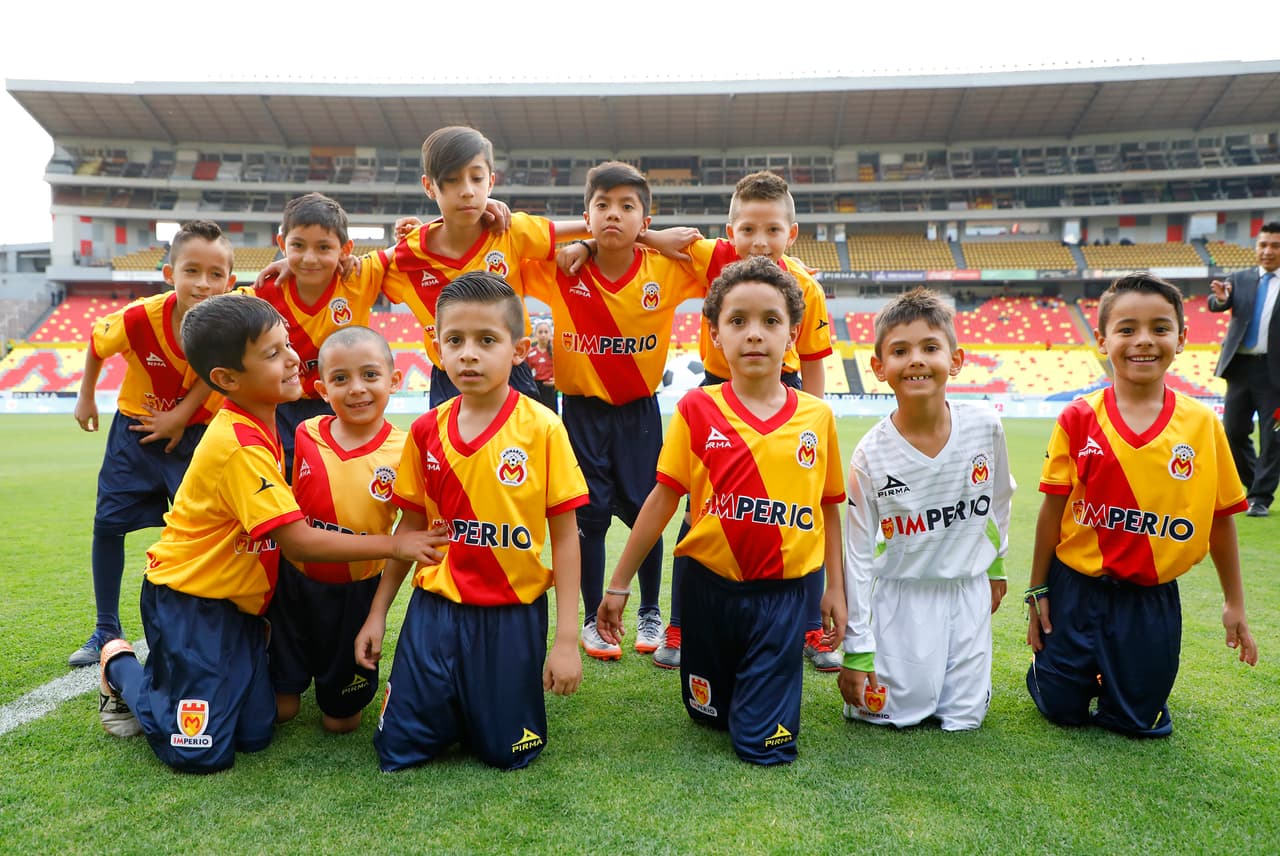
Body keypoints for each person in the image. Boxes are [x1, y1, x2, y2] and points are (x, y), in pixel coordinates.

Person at [96, 294, 443, 773]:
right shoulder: (240, 445)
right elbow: (298, 540)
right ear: (227, 380)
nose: (293, 358)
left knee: (258, 732)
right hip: (189, 599)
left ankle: (206, 675)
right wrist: (395, 544)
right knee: (199, 753)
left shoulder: (269, 426)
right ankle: (120, 667)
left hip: (237, 606)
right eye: (274, 353)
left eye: (287, 345)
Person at [566, 171, 836, 670]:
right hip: (717, 387)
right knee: (697, 513)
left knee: (800, 513)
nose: (759, 241)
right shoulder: (714, 259)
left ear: (791, 234)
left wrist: (811, 422)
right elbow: (621, 233)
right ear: (729, 231)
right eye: (748, 229)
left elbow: (815, 358)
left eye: (773, 230)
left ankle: (812, 629)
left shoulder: (805, 287)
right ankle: (679, 626)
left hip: (787, 395)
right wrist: (613, 239)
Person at [597, 257, 845, 765]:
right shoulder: (697, 408)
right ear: (714, 334)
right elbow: (663, 498)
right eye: (738, 321)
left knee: (763, 742)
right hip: (708, 589)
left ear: (793, 334)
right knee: (706, 714)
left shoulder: (818, 417)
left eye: (770, 321)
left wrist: (836, 589)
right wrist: (618, 584)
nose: (754, 335)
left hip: (784, 595)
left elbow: (830, 508)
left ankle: (769, 692)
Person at [355, 273, 588, 771]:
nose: (468, 354)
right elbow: (408, 531)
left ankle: (479, 707)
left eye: (487, 340)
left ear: (518, 349)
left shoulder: (543, 428)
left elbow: (567, 539)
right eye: (455, 341)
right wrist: (377, 614)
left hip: (511, 614)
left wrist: (566, 639)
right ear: (435, 347)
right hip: (435, 611)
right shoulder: (424, 430)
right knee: (399, 751)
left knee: (508, 754)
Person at [1026, 273, 1258, 738]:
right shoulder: (1077, 417)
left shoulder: (1202, 426)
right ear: (1101, 340)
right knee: (1060, 709)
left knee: (1136, 722)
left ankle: (1130, 678)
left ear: (1182, 338)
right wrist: (1037, 592)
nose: (1144, 341)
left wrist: (1234, 602)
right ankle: (1051, 670)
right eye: (1127, 329)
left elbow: (1219, 520)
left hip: (1149, 600)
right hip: (1076, 589)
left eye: (1160, 328)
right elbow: (1052, 513)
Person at [365, 125, 696, 408]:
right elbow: (351, 274)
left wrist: (649, 237)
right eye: (451, 181)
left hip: (513, 371)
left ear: (490, 181)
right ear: (429, 186)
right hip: (450, 379)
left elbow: (593, 227)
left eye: (476, 179)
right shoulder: (406, 256)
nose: (467, 191)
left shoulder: (511, 231)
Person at [521, 161, 704, 661]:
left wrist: (656, 243)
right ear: (586, 213)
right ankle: (590, 619)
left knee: (645, 509)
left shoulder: (665, 269)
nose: (613, 215)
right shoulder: (564, 268)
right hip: (578, 413)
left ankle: (648, 610)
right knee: (589, 517)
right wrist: (583, 241)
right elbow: (513, 247)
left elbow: (719, 264)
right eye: (602, 206)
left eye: (627, 207)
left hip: (639, 414)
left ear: (645, 218)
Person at [839, 287, 1014, 731]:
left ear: (956, 360)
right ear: (879, 368)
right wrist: (857, 648)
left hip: (967, 590)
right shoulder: (870, 456)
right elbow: (857, 556)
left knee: (964, 718)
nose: (916, 359)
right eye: (900, 350)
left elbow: (999, 498)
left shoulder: (985, 427)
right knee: (888, 714)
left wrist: (995, 566)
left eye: (930, 347)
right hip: (904, 595)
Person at [68, 219, 233, 667]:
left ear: (230, 281)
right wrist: (85, 396)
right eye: (192, 271)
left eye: (215, 274)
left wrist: (180, 416)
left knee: (198, 533)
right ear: (169, 274)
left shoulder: (228, 321)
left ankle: (197, 622)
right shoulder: (139, 317)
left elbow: (214, 372)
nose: (203, 283)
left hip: (198, 437)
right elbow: (97, 345)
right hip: (136, 432)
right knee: (108, 524)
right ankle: (105, 628)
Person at [268, 326, 406, 734]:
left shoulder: (406, 449)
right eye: (341, 379)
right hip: (293, 584)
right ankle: (290, 674)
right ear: (322, 388)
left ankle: (343, 684)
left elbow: (412, 528)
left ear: (394, 381)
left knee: (340, 722)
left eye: (370, 375)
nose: (356, 389)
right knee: (282, 710)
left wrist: (377, 613)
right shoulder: (306, 433)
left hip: (357, 591)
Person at [254, 192, 390, 477]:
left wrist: (488, 203)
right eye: (298, 246)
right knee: (288, 487)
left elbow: (414, 245)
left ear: (345, 249)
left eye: (324, 247)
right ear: (281, 244)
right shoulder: (266, 291)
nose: (310, 258)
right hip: (283, 408)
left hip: (342, 403)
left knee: (347, 482)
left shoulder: (358, 277)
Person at [1207, 223, 1280, 517]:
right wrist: (1222, 300)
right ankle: (1252, 485)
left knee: (1274, 435)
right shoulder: (1240, 279)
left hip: (1276, 376)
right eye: (1263, 245)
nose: (1267, 251)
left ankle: (1261, 497)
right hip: (1240, 370)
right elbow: (1217, 303)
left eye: (1275, 245)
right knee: (1233, 432)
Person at [526, 318, 557, 411]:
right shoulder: (530, 353)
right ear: (535, 334)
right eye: (540, 332)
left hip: (550, 389)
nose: (543, 335)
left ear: (550, 334)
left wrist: (557, 382)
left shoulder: (555, 353)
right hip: (536, 388)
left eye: (546, 332)